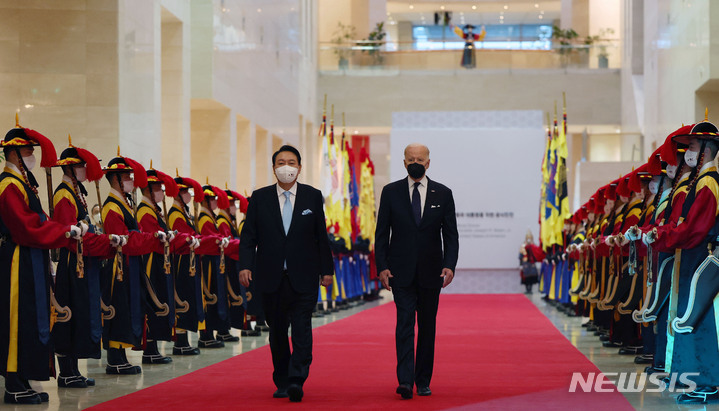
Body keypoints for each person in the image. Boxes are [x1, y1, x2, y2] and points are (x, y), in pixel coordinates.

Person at [239, 145, 334, 403]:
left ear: (299, 167)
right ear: (273, 168)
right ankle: (282, 379)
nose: (286, 167)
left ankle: (296, 379)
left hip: (303, 275)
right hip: (271, 276)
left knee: (302, 328)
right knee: (277, 330)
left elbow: (320, 236)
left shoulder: (312, 197)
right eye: (281, 162)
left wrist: (327, 270)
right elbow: (248, 237)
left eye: (291, 162)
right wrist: (245, 265)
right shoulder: (259, 198)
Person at [0, 124, 85, 404]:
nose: (31, 154)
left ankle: (23, 377)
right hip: (17, 258)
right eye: (26, 150)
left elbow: (40, 219)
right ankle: (13, 381)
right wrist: (61, 231)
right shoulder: (8, 184)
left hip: (31, 256)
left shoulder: (23, 183)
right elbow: (24, 225)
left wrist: (60, 229)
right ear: (12, 153)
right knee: (18, 318)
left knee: (31, 318)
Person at [374, 143, 459, 399]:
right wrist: (382, 266)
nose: (415, 162)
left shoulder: (443, 193)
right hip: (400, 272)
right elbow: (381, 234)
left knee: (427, 327)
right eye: (411, 158)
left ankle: (423, 380)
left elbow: (451, 234)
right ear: (403, 162)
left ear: (428, 162)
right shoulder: (391, 192)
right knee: (404, 325)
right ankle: (404, 380)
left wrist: (449, 264)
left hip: (432, 273)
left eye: (420, 159)